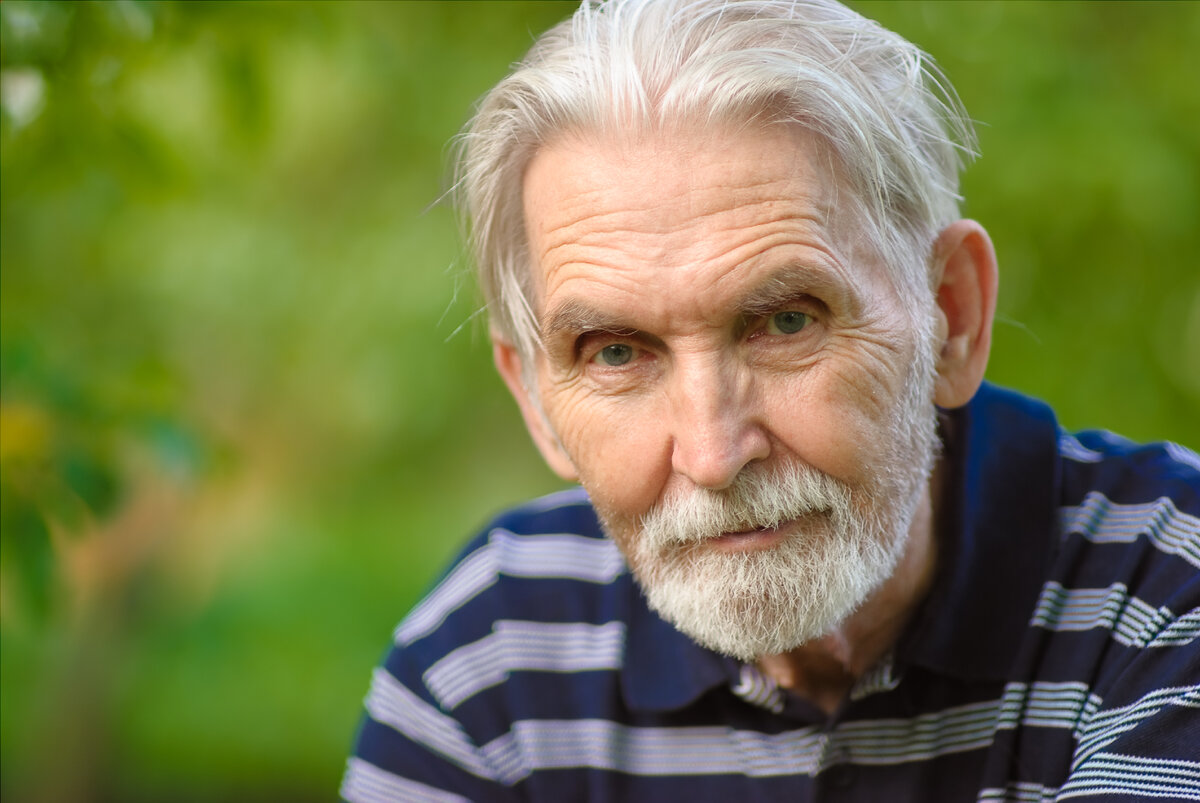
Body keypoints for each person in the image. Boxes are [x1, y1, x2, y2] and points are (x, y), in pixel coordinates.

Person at [342, 0, 1200, 800]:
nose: (714, 456)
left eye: (786, 321)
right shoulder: (488, 660)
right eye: (615, 352)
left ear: (951, 317)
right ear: (534, 396)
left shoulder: (1173, 588)